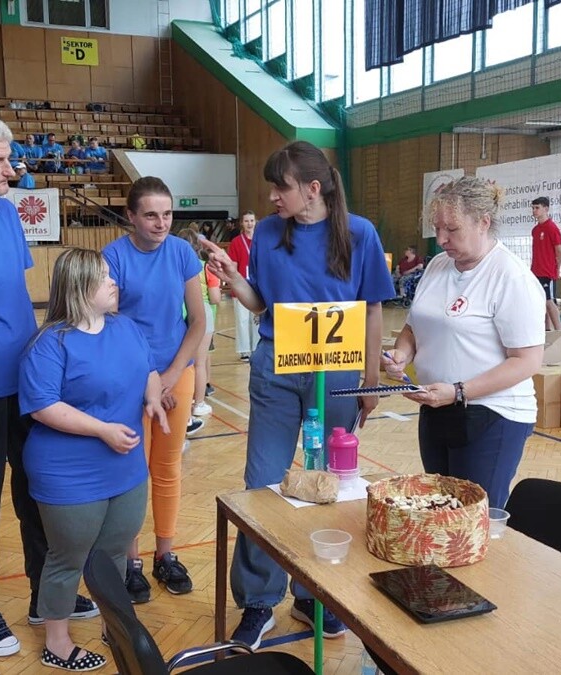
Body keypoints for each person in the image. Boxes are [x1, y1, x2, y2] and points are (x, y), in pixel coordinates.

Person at [203, 140, 395, 649]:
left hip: (337, 373)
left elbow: (373, 310)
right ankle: (258, 601)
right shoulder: (267, 232)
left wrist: (369, 381)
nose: (270, 197)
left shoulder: (360, 234)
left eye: (279, 187)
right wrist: (233, 279)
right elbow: (261, 302)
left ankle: (316, 593)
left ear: (313, 189)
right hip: (276, 370)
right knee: (263, 481)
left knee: (328, 483)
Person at [0, 110, 92, 657]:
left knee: (37, 488)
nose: (12, 169)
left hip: (28, 375)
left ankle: (43, 592)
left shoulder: (6, 215)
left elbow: (10, 296)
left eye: (9, 158)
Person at [20, 248, 167, 671]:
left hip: (125, 466)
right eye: (104, 278)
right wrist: (102, 430)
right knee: (67, 558)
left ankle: (115, 627)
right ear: (81, 287)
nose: (114, 283)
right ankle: (57, 641)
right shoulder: (50, 344)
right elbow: (43, 406)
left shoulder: (126, 328)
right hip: (70, 473)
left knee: (115, 552)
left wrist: (153, 399)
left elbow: (149, 371)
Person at [383, 176, 544, 510]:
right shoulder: (438, 266)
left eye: (452, 229)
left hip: (492, 415)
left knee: (473, 516)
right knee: (441, 509)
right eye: (437, 228)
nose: (441, 239)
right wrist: (402, 353)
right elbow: (415, 326)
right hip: (437, 407)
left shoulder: (511, 277)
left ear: (483, 222)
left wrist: (459, 391)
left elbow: (526, 362)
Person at [104, 177, 205, 604]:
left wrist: (171, 374)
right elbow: (111, 324)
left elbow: (197, 321)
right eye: (150, 214)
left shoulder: (182, 253)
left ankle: (165, 553)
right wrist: (148, 379)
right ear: (131, 216)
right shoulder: (114, 256)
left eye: (167, 214)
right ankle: (131, 561)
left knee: (167, 467)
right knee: (133, 471)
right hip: (130, 377)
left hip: (174, 374)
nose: (161, 222)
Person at [177, 231, 220, 419]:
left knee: (184, 363)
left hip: (178, 312)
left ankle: (183, 405)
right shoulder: (206, 268)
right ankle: (198, 403)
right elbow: (215, 298)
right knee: (200, 364)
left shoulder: (173, 267)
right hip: (201, 312)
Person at [226, 211, 259, 362]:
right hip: (241, 285)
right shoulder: (236, 242)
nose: (249, 224)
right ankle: (245, 350)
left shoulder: (261, 240)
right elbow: (232, 265)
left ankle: (257, 348)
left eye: (252, 220)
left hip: (258, 287)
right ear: (242, 223)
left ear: (255, 222)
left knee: (257, 319)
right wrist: (233, 283)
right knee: (242, 319)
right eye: (246, 221)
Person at [530, 196, 561, 331]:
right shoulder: (535, 230)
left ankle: (560, 331)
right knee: (541, 302)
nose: (534, 211)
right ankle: (546, 330)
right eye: (533, 208)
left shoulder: (551, 228)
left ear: (546, 209)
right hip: (536, 271)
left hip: (547, 271)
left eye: (537, 208)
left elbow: (559, 250)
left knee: (549, 301)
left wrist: (557, 269)